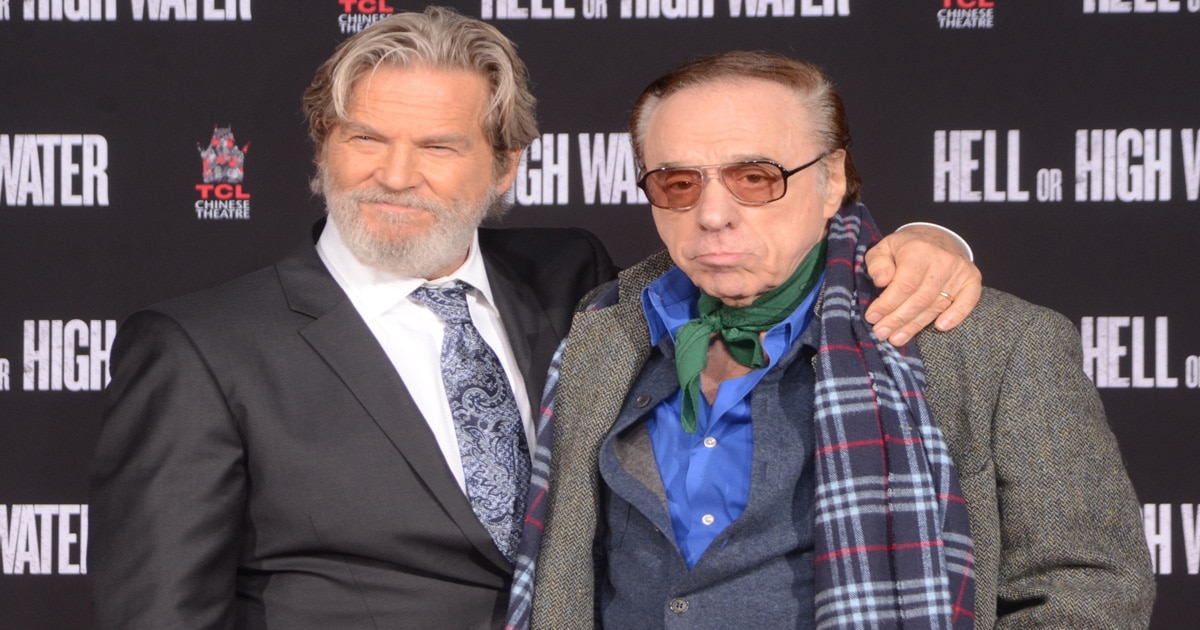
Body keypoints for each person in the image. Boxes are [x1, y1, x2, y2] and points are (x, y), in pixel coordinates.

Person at [89, 10, 980, 630]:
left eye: (438, 146)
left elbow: (755, 247)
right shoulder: (202, 347)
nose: (395, 176)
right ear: (324, 147)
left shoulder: (579, 284)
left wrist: (925, 240)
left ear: (506, 164)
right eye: (364, 139)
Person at [522, 51, 1155, 629]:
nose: (712, 214)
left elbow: (1087, 587)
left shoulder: (992, 343)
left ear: (830, 179)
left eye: (755, 177)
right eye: (678, 183)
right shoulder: (603, 331)